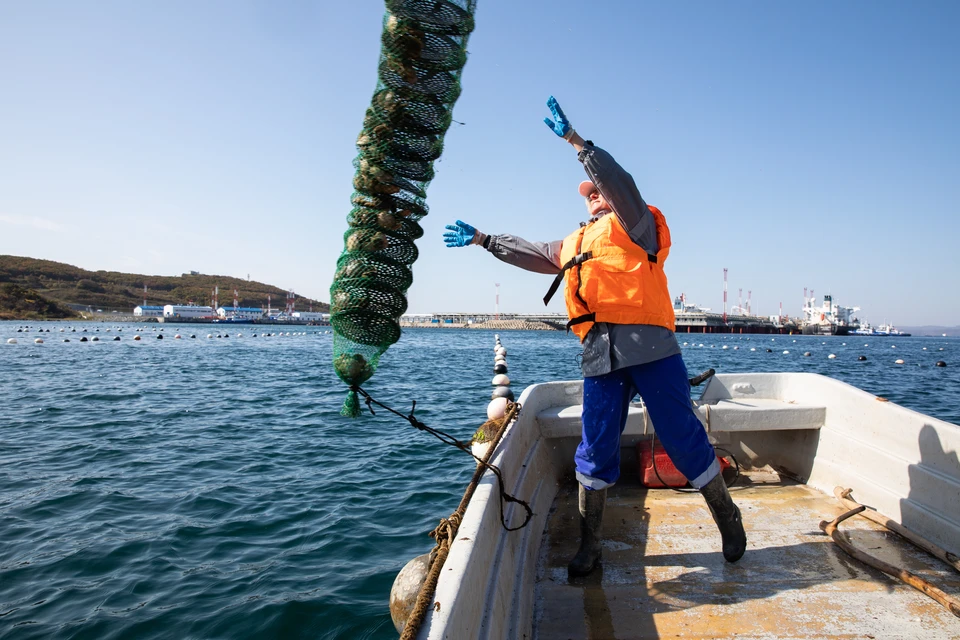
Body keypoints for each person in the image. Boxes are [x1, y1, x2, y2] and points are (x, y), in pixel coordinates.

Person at [443, 96, 746, 577]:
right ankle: (591, 546)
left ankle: (727, 516)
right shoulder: (575, 242)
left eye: (597, 191)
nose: (594, 196)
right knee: (594, 446)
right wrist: (485, 240)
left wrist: (577, 144)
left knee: (682, 436)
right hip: (599, 354)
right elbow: (530, 252)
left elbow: (621, 184)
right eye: (587, 194)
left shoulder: (638, 224)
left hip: (651, 348)